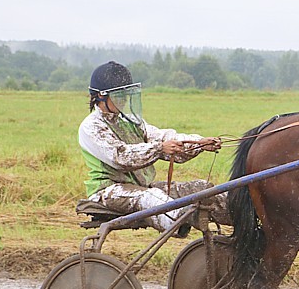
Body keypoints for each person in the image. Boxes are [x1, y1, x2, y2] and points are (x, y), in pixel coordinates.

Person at [78, 61, 229, 235]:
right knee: (152, 198)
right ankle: (183, 221)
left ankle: (243, 217)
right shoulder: (91, 126)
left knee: (202, 189)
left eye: (126, 93)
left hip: (143, 186)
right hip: (109, 192)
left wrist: (199, 143)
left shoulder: (131, 122)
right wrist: (159, 149)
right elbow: (122, 157)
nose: (125, 99)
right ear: (101, 97)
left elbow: (163, 138)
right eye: (119, 94)